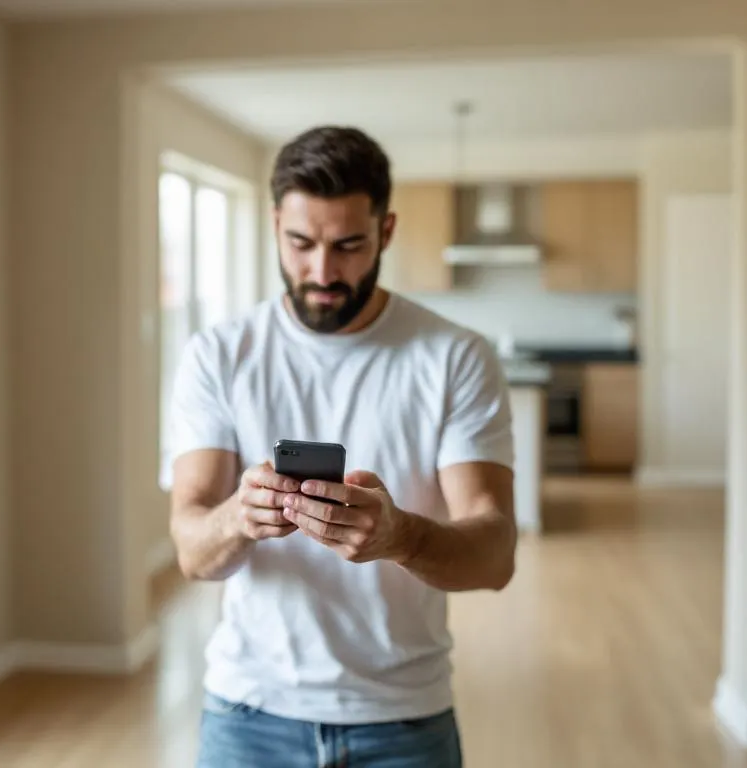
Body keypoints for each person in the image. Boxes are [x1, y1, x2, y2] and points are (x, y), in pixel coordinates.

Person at [162, 125, 518, 768]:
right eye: (301, 243)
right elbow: (192, 550)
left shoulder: (456, 357)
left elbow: (495, 557)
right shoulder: (218, 355)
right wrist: (239, 517)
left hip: (404, 719)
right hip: (249, 716)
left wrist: (401, 537)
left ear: (386, 231)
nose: (322, 272)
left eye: (348, 245)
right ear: (275, 224)